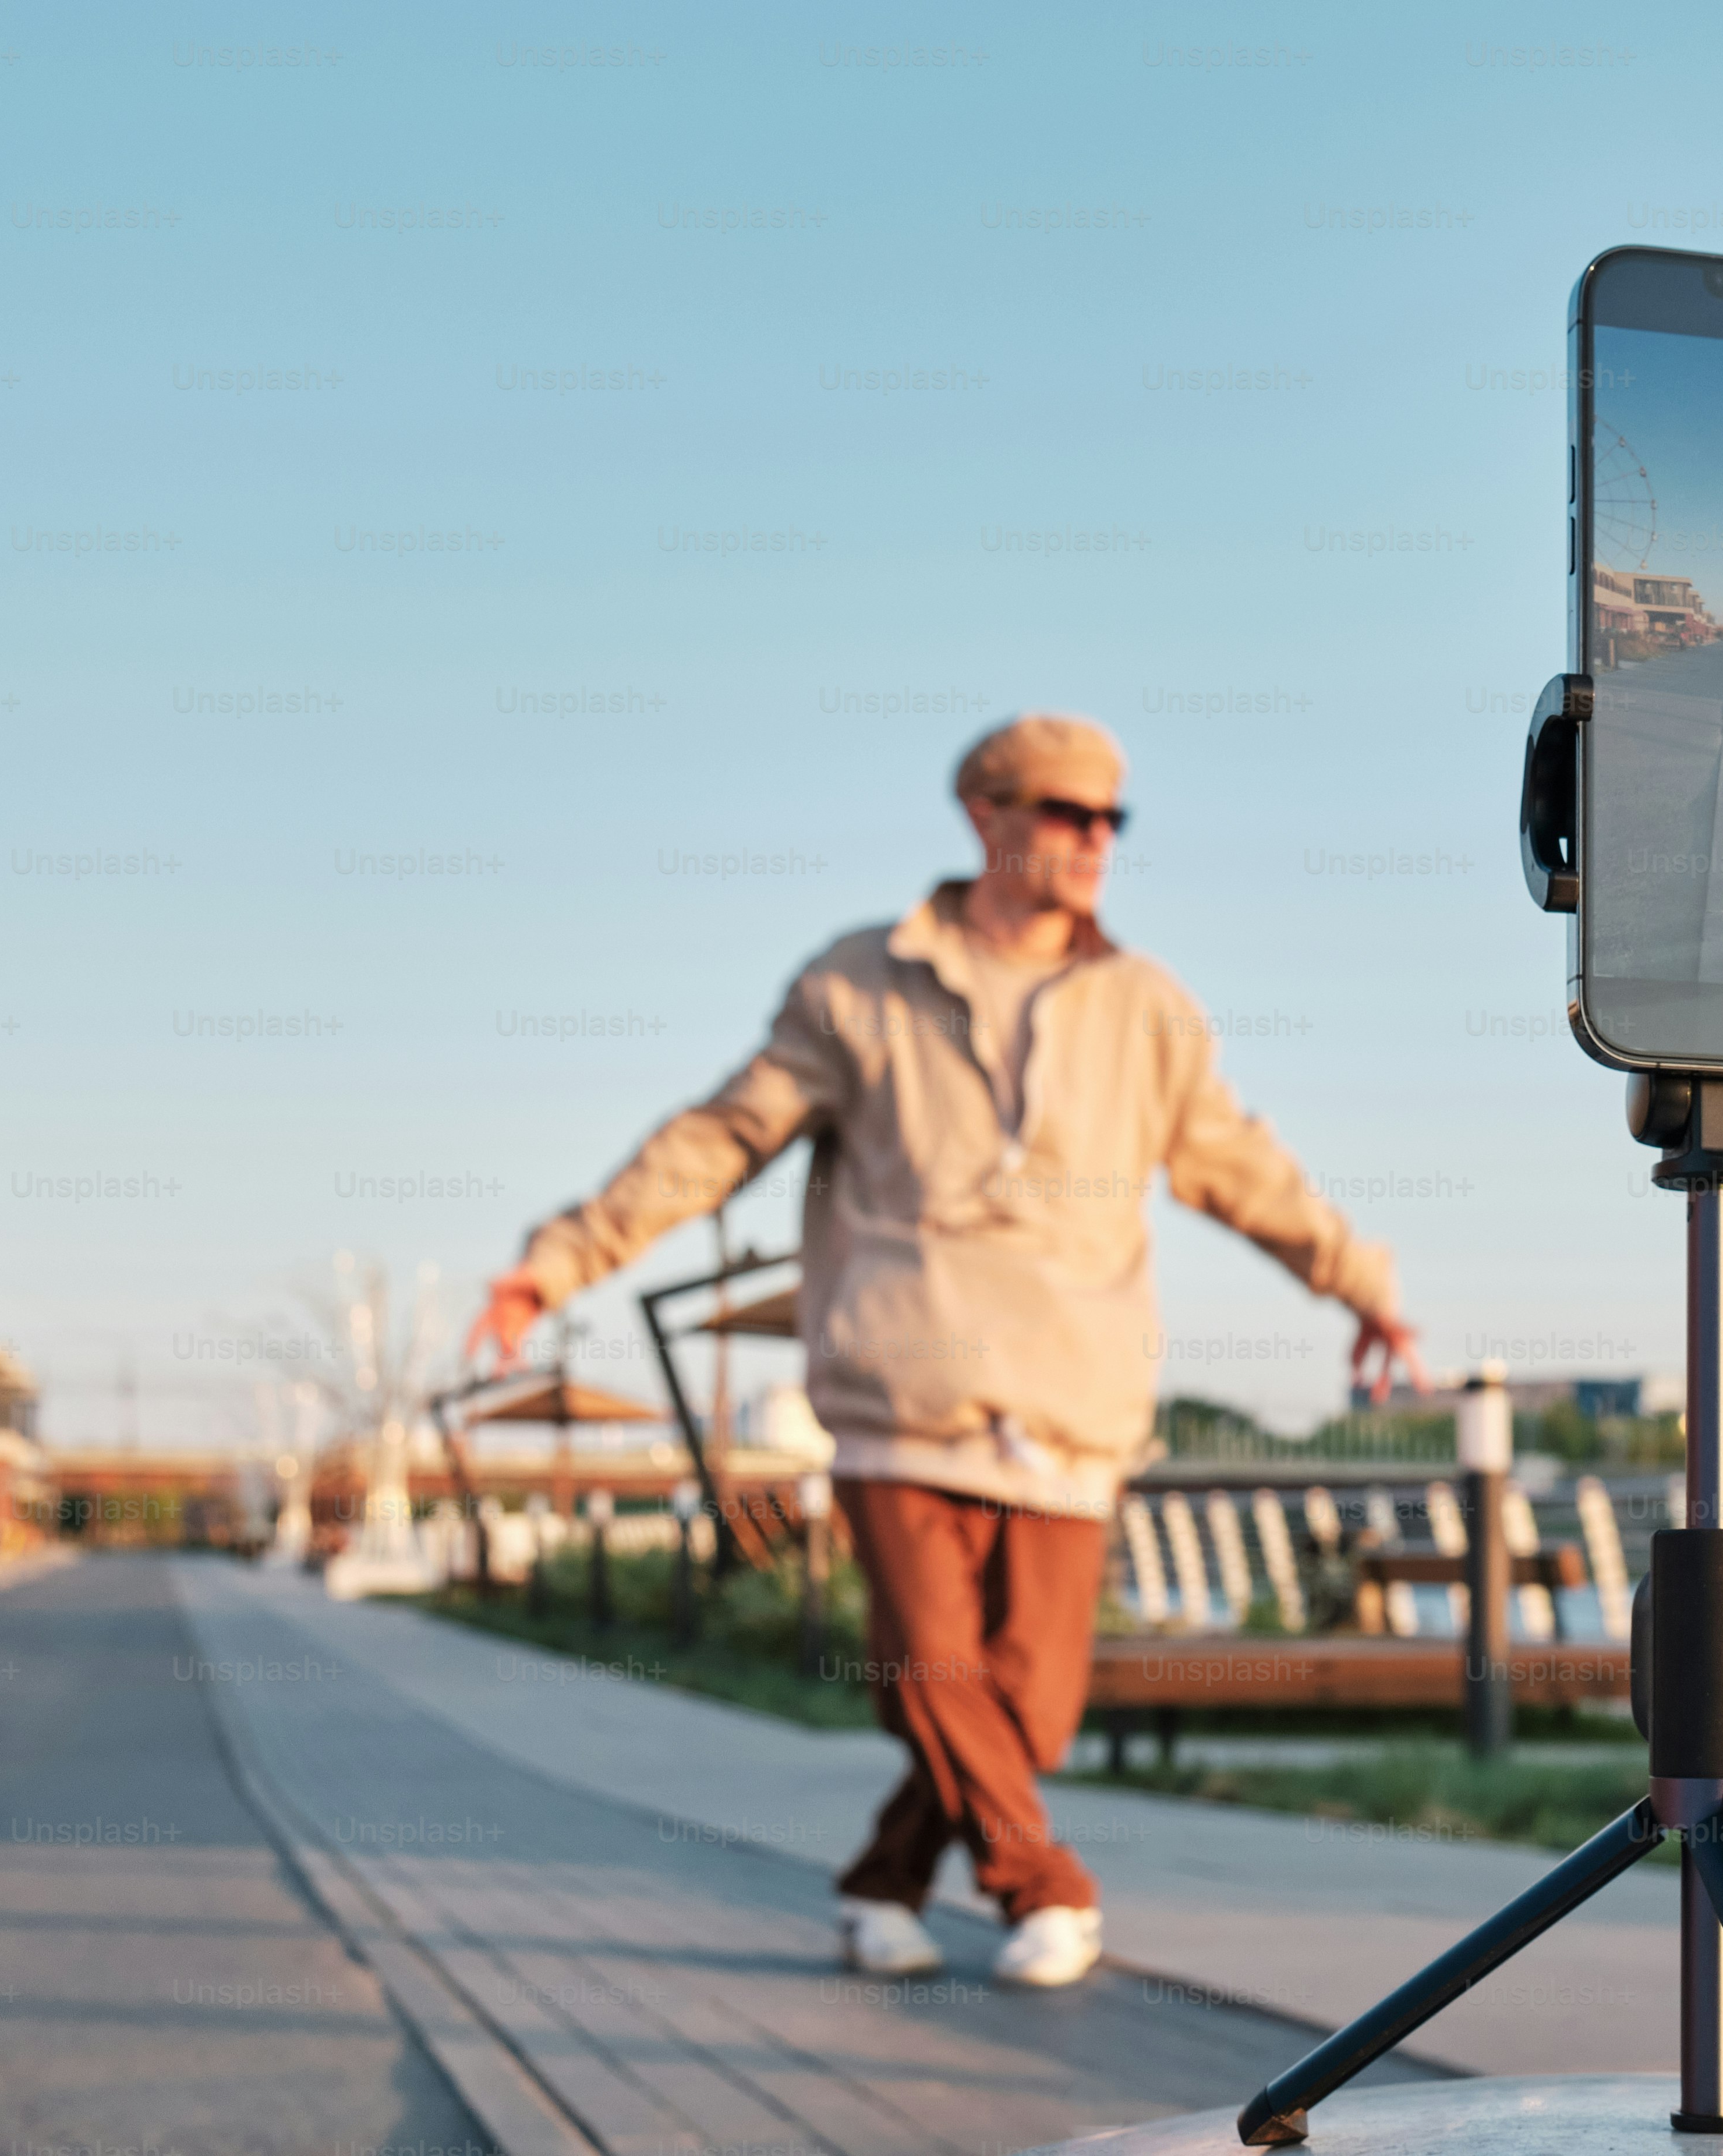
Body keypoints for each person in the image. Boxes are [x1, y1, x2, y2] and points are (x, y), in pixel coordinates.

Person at [467, 713, 1427, 1989]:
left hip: (1070, 1400)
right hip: (899, 1393)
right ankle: (1046, 1888)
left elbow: (1239, 1164)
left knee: (1027, 1706)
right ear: (986, 816)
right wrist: (556, 1262)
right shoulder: (858, 984)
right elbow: (718, 1139)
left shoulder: (1144, 1006)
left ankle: (882, 1882)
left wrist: (1361, 1286)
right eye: (1064, 812)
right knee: (931, 1670)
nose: (1094, 839)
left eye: (1111, 819)